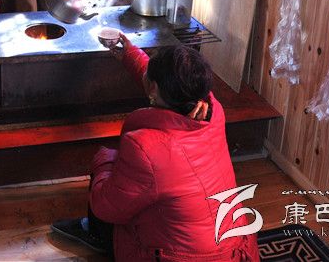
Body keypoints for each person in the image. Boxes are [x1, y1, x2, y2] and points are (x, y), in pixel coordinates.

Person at [51, 34, 259, 261]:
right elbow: (161, 81)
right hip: (234, 249)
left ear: (154, 88)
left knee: (108, 166)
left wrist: (103, 161)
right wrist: (129, 53)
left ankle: (97, 235)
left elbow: (105, 207)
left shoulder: (147, 149)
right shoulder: (212, 110)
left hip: (181, 258)